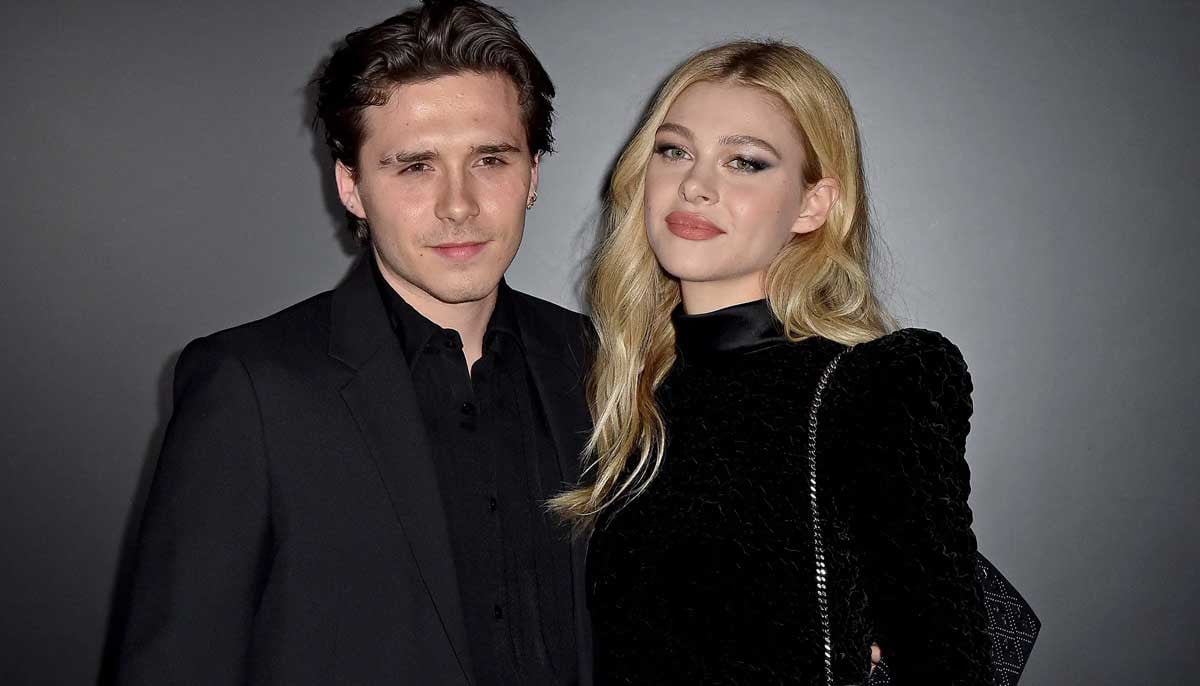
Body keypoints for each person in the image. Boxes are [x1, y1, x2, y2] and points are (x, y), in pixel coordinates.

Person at [115, 2, 591, 684]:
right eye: (415, 167)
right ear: (352, 186)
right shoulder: (250, 387)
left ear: (533, 176)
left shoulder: (598, 361)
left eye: (490, 159)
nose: (459, 204)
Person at [552, 40, 993, 684]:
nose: (696, 186)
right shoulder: (623, 390)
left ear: (814, 203)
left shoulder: (870, 387)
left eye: (745, 162)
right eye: (674, 151)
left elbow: (950, 664)